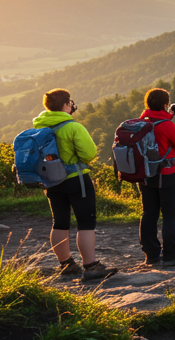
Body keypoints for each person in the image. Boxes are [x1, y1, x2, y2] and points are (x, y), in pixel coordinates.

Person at [34, 89, 116, 280]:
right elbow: (89, 154)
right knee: (86, 222)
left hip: (52, 181)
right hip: (76, 179)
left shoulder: (39, 127)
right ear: (66, 104)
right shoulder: (73, 127)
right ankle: (91, 266)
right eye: (70, 102)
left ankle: (66, 264)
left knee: (60, 222)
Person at [138, 88, 175, 267]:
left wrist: (168, 115)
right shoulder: (167, 125)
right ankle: (171, 255)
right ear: (165, 104)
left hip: (146, 175)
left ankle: (151, 256)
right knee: (170, 216)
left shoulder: (141, 121)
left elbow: (156, 126)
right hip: (167, 175)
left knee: (149, 214)